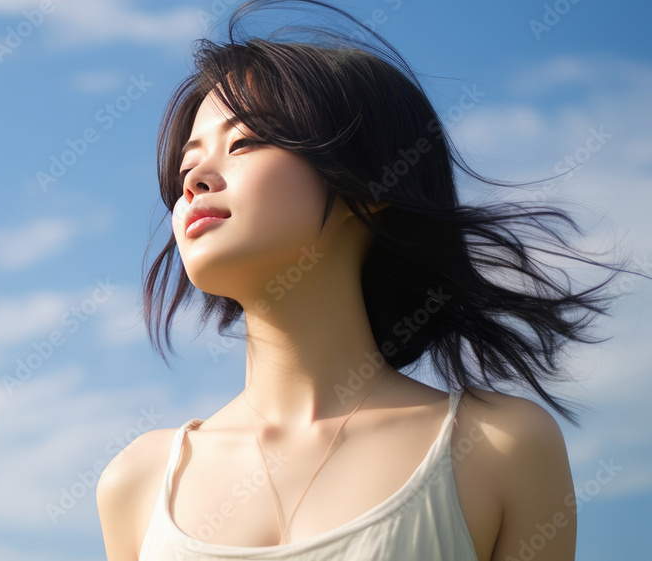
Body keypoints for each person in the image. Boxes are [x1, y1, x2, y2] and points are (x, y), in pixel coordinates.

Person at [96, 1, 640, 559]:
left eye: (244, 143)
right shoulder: (138, 483)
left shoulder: (498, 447)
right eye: (187, 168)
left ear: (371, 187)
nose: (196, 183)